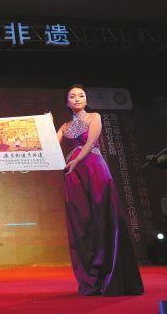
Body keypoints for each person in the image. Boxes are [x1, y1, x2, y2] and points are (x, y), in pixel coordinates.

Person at [57, 84, 144, 296]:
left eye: (81, 95)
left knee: (102, 216)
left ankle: (110, 275)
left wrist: (76, 160)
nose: (77, 99)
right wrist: (46, 125)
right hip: (74, 174)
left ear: (86, 100)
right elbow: (50, 145)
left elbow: (90, 143)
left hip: (93, 168)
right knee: (82, 222)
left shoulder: (94, 117)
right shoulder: (65, 126)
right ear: (67, 102)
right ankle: (90, 278)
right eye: (72, 96)